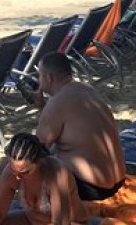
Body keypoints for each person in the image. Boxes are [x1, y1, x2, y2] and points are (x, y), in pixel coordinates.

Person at [32, 53, 125, 200]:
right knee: (56, 149)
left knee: (24, 162)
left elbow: (36, 149)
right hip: (118, 180)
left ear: (49, 78)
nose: (39, 81)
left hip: (93, 189)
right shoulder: (88, 90)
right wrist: (42, 109)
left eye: (40, 76)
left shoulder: (56, 103)